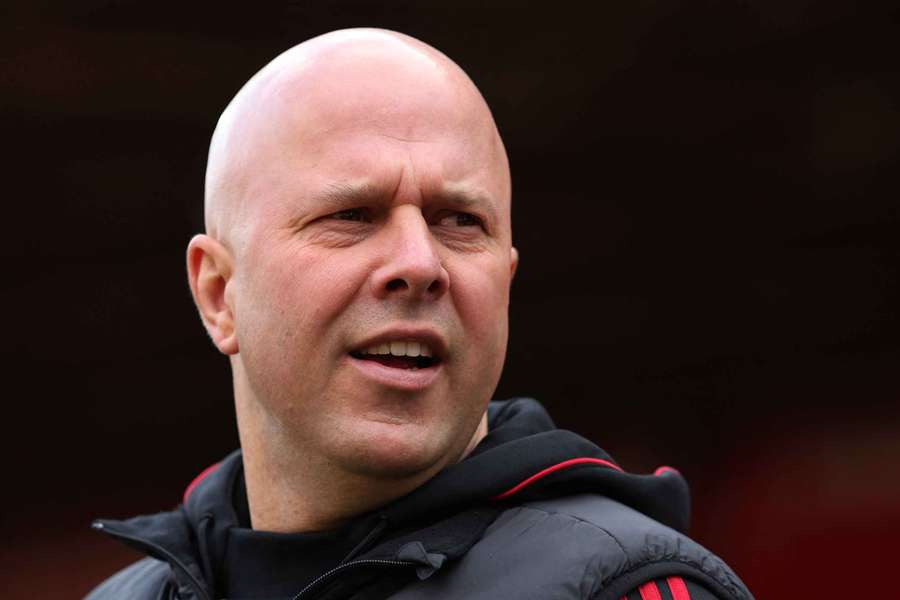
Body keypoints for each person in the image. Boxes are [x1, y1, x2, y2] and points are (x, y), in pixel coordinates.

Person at [86, 28, 753, 600]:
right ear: (218, 294)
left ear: (507, 282)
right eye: (352, 215)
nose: (420, 263)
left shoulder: (626, 589)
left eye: (460, 222)